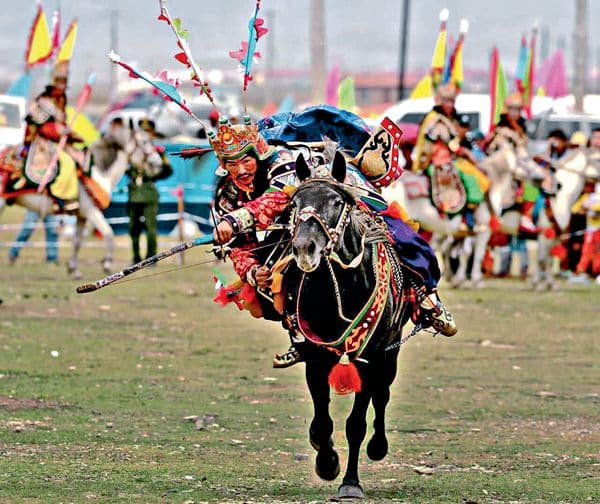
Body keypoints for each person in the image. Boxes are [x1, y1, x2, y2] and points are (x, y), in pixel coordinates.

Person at [209, 111, 457, 368]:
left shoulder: (282, 162)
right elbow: (239, 248)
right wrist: (253, 271)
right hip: (292, 224)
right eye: (230, 163)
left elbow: (278, 198)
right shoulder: (227, 194)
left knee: (400, 234)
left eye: (246, 160)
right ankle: (300, 337)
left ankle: (427, 297)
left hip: (335, 191)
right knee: (272, 278)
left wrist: (235, 221)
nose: (240, 170)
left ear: (258, 155)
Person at [412, 83, 489, 229]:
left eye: (452, 101)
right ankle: (464, 218)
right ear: (440, 101)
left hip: (448, 159)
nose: (450, 104)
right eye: (447, 101)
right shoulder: (436, 119)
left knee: (478, 176)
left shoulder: (444, 118)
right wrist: (463, 152)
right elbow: (446, 144)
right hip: (438, 162)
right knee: (470, 178)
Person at [22, 61, 82, 212]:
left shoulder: (61, 100)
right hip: (42, 141)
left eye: (64, 82)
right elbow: (42, 126)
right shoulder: (44, 100)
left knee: (80, 156)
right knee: (67, 162)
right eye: (60, 82)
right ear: (54, 83)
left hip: (58, 139)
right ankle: (60, 197)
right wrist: (61, 131)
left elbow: (62, 123)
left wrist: (72, 134)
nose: (62, 86)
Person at [126, 118, 173, 263]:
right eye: (142, 131)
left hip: (148, 192)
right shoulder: (132, 150)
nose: (145, 134)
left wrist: (154, 174)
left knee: (150, 228)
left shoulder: (156, 152)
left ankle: (151, 257)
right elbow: (126, 170)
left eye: (147, 131)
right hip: (134, 192)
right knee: (133, 227)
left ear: (152, 134)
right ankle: (136, 257)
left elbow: (168, 171)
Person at [570, 182, 600, 282]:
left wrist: (593, 209)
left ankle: (596, 273)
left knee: (598, 254)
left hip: (597, 230)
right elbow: (574, 209)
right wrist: (585, 209)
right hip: (591, 230)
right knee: (587, 252)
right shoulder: (588, 197)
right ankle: (580, 271)